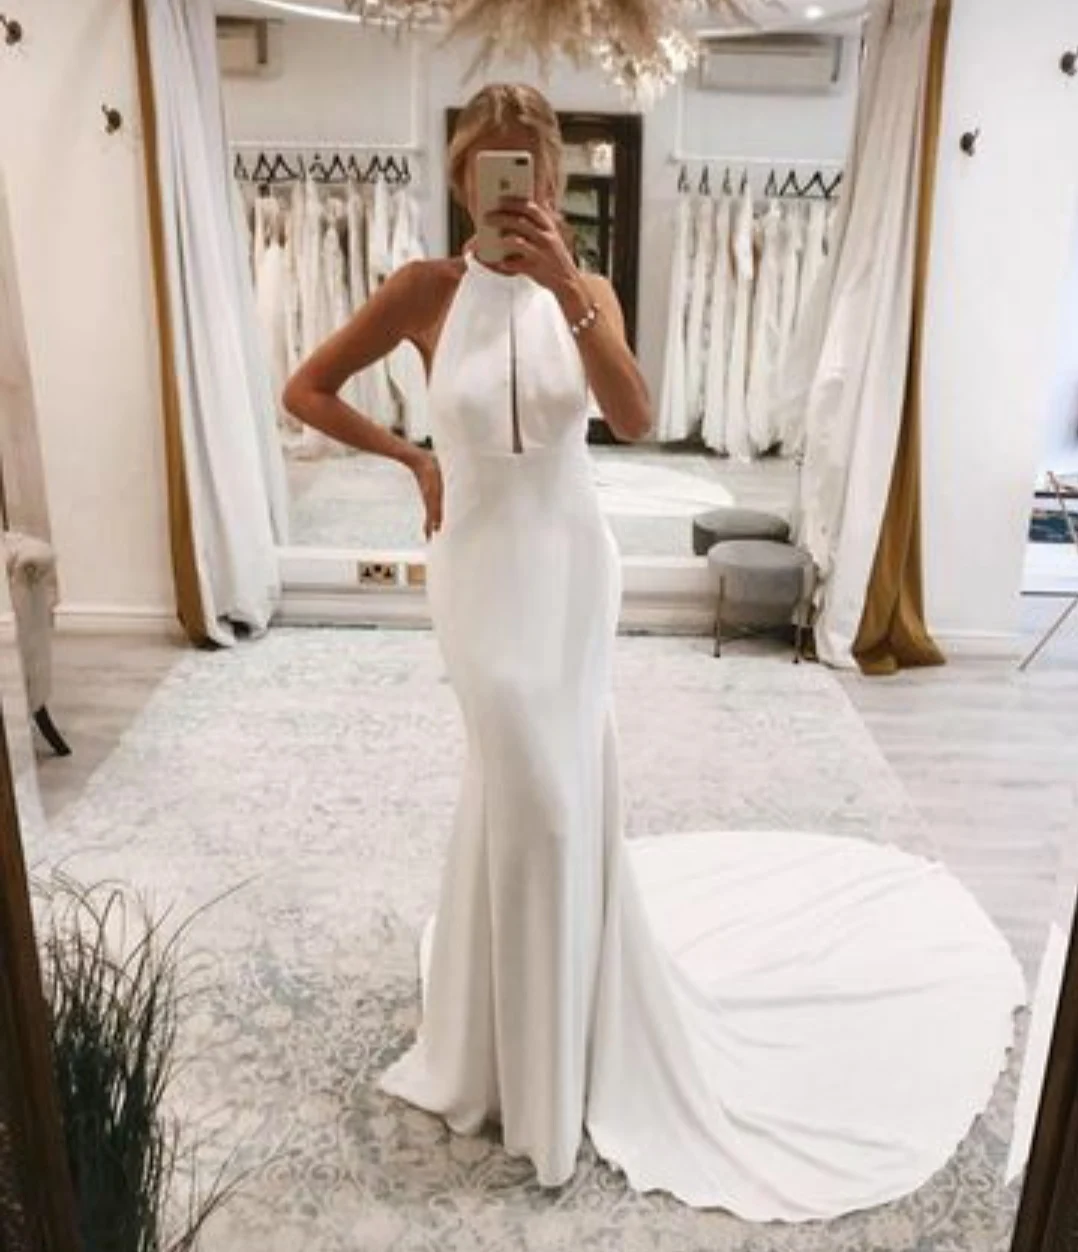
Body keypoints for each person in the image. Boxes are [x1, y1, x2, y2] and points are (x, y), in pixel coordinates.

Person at [284, 84, 1025, 1222]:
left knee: (554, 794)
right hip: (478, 567)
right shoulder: (423, 290)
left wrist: (568, 292)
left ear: (552, 177)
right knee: (527, 784)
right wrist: (415, 459)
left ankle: (546, 1034)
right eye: (492, 167)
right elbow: (305, 389)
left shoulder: (589, 293)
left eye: (532, 167)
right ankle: (509, 1051)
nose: (513, 188)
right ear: (462, 178)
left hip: (570, 565)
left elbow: (633, 417)